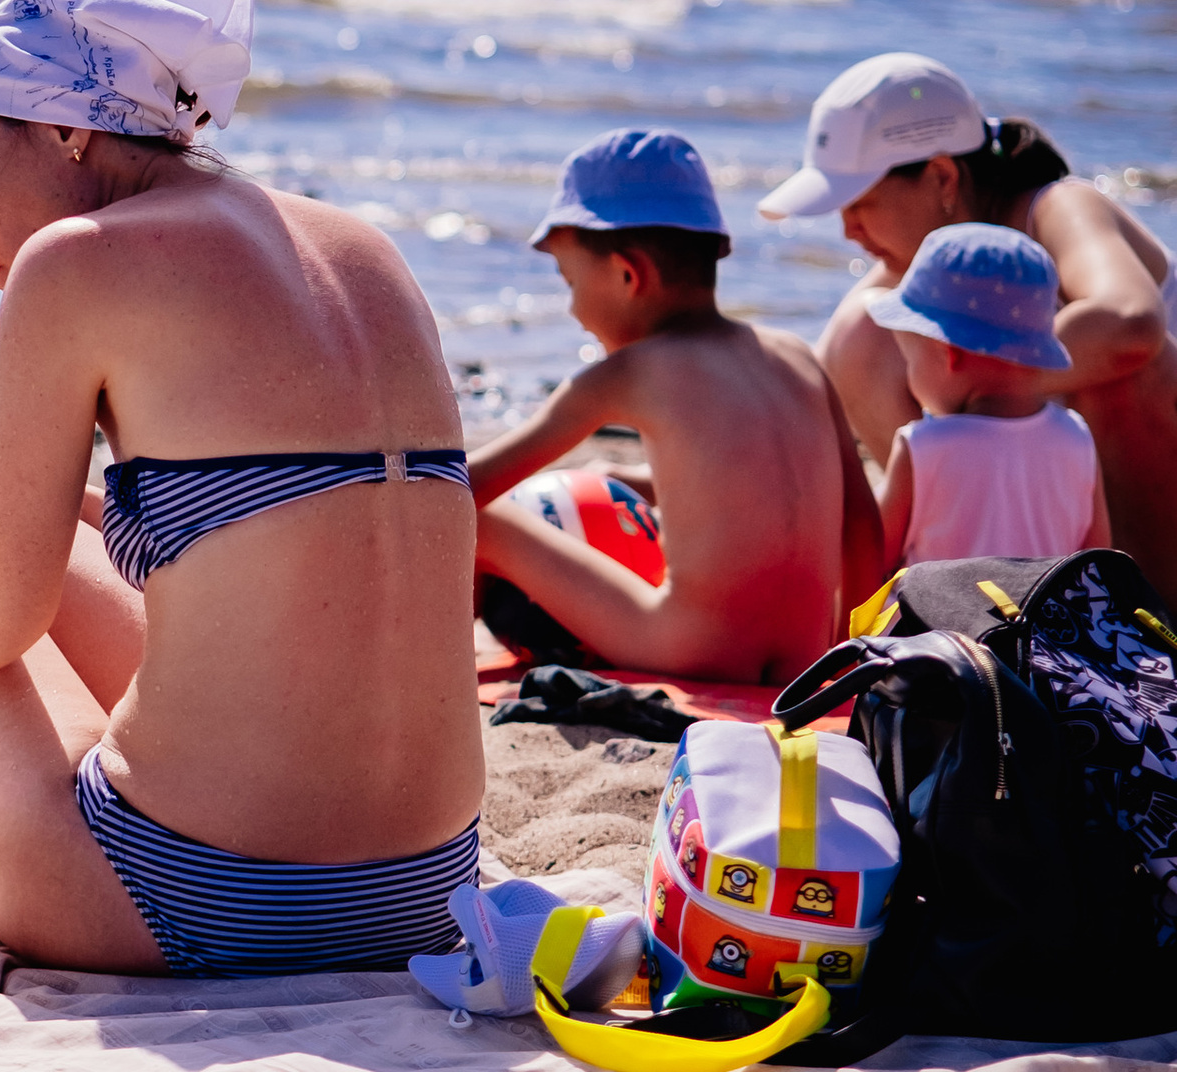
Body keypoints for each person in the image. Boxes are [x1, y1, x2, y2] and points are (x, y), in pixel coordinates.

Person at [0, 0, 483, 976]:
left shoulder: (73, 263)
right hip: (429, 890)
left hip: (193, 902)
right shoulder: (363, 249)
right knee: (43, 537)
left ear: (67, 127)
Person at [761, 49, 1177, 596]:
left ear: (941, 177)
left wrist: (989, 391)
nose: (847, 230)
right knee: (855, 337)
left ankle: (1149, 615)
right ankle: (966, 589)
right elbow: (817, 406)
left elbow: (1132, 324)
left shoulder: (1057, 207)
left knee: (1120, 370)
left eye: (859, 202)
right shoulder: (924, 269)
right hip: (1046, 540)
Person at [470, 130, 879, 684]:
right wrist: (841, 653)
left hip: (691, 649)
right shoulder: (796, 355)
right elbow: (860, 524)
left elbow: (467, 486)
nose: (571, 309)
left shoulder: (630, 373)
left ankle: (428, 658)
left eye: (569, 282)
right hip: (805, 655)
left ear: (627, 274)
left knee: (478, 518)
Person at [867, 226, 1107, 570]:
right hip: (1045, 624)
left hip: (938, 624)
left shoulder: (922, 447)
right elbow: (1096, 560)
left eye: (911, 358)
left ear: (948, 354)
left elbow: (872, 557)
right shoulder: (1077, 437)